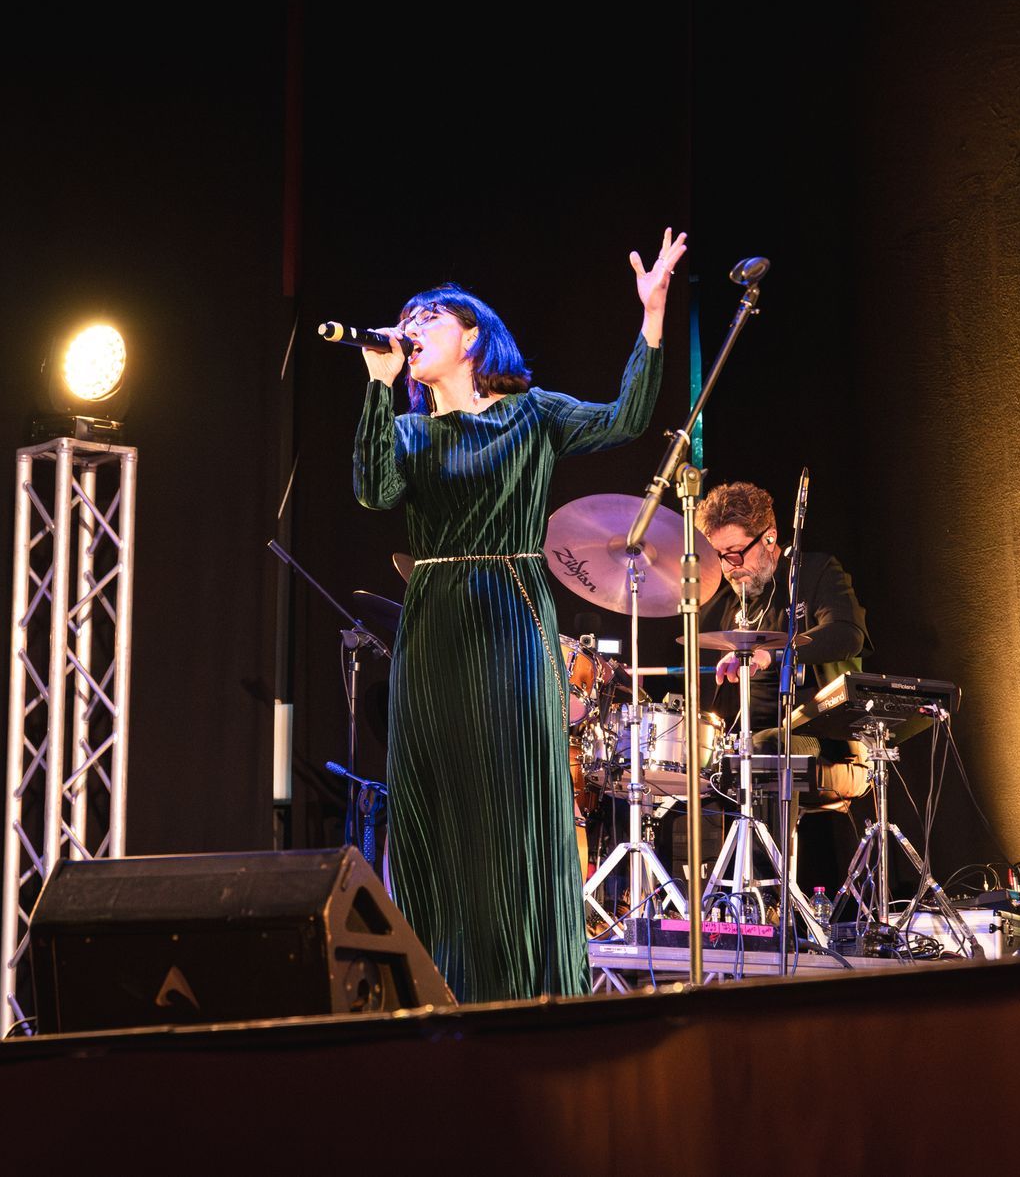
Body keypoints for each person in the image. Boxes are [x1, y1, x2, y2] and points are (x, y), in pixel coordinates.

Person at [353, 229, 686, 1002]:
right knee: (436, 799)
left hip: (508, 616)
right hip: (434, 622)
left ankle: (525, 986)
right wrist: (376, 386)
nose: (413, 325)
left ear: (473, 337)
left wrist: (653, 317)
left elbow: (625, 418)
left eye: (431, 316)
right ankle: (440, 986)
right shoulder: (405, 431)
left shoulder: (531, 413)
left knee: (510, 802)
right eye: (408, 317)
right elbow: (373, 491)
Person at [695, 481, 871, 898]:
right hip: (747, 741)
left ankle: (766, 900)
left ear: (770, 537)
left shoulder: (814, 573)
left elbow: (848, 634)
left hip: (824, 738)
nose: (729, 565)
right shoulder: (725, 604)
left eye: (736, 552)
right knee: (679, 766)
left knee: (764, 747)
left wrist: (772, 655)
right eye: (720, 556)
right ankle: (703, 903)